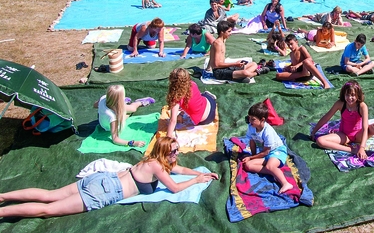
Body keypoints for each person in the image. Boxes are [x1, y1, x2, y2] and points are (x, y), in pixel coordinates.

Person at [0, 136, 218, 219]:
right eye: (173, 151)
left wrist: (200, 172)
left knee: (50, 195)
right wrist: (196, 182)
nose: (176, 153)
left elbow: (179, 170)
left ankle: (2, 196)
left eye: (177, 149)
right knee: (47, 210)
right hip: (104, 191)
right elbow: (175, 188)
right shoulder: (158, 168)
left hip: (102, 179)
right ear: (164, 153)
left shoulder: (153, 160)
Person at [310, 80, 374, 165]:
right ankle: (352, 150)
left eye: (353, 95)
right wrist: (314, 131)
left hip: (358, 135)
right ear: (343, 94)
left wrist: (362, 147)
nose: (349, 98)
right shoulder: (340, 104)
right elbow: (327, 117)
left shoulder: (362, 106)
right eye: (347, 95)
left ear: (358, 96)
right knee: (320, 141)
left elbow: (365, 128)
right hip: (344, 135)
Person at [242, 102, 293, 194]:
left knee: (270, 166)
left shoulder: (267, 132)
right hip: (265, 153)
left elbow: (266, 152)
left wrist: (251, 157)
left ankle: (285, 183)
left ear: (262, 120)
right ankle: (273, 172)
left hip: (276, 151)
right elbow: (252, 141)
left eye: (253, 119)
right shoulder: (251, 127)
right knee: (248, 165)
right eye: (249, 118)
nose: (250, 121)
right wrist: (253, 155)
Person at [204, 21, 270, 81]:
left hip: (225, 68)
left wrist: (208, 68)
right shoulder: (217, 44)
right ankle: (256, 73)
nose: (231, 33)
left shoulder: (223, 40)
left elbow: (212, 55)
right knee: (245, 72)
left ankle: (241, 76)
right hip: (219, 72)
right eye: (229, 31)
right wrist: (235, 64)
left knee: (254, 64)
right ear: (222, 32)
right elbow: (216, 65)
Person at [165, 68, 217, 135]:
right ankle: (209, 96)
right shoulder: (193, 84)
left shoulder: (175, 98)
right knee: (202, 95)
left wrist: (168, 136)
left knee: (190, 103)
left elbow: (173, 121)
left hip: (204, 120)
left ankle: (182, 113)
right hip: (211, 107)